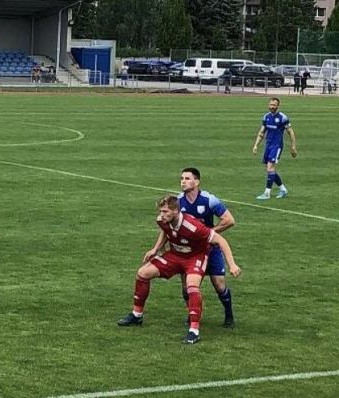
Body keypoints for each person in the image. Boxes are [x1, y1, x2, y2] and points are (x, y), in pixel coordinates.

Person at [117, 194, 241, 344]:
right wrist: (155, 249)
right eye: (160, 211)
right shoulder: (162, 220)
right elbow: (165, 231)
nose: (161, 215)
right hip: (175, 255)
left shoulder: (193, 226)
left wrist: (232, 264)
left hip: (195, 257)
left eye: (165, 212)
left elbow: (220, 240)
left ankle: (194, 331)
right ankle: (137, 315)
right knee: (143, 273)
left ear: (176, 211)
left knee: (192, 286)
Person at [178, 168, 237, 328]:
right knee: (187, 286)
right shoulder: (178, 202)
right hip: (189, 251)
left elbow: (229, 220)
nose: (183, 181)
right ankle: (192, 314)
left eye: (187, 178)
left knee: (219, 284)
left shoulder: (209, 200)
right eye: (182, 178)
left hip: (210, 248)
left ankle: (229, 315)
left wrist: (209, 233)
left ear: (196, 182)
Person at [252, 97, 297, 199]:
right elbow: (261, 132)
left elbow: (290, 132)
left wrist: (293, 146)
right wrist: (256, 145)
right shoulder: (266, 117)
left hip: (277, 146)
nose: (272, 107)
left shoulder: (282, 117)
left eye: (274, 105)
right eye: (270, 105)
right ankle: (283, 189)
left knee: (270, 168)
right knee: (270, 170)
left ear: (278, 106)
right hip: (268, 145)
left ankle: (267, 193)